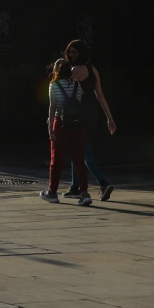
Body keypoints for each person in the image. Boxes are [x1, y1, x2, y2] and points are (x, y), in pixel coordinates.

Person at [61, 40, 118, 201]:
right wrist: (109, 118)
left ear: (81, 53)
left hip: (79, 114)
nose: (71, 55)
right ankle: (74, 187)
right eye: (70, 52)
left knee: (84, 150)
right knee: (76, 148)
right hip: (91, 113)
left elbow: (63, 90)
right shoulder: (92, 70)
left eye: (74, 52)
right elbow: (100, 96)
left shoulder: (75, 70)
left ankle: (103, 182)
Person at [42, 57, 95, 206]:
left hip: (61, 125)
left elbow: (53, 108)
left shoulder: (54, 85)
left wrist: (50, 128)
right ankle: (84, 193)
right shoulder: (77, 85)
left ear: (57, 71)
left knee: (56, 160)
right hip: (77, 126)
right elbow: (78, 103)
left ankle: (52, 192)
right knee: (79, 160)